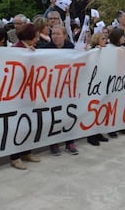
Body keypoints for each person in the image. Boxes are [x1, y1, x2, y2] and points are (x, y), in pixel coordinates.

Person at [41, 25, 79, 155]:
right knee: (54, 115)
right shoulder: (45, 48)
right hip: (52, 87)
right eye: (53, 34)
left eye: (58, 34)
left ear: (64, 36)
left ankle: (70, 142)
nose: (55, 37)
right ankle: (54, 143)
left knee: (69, 114)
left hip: (67, 87)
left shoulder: (70, 47)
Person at [9, 23, 41, 170]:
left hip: (30, 93)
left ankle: (26, 152)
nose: (37, 40)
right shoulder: (15, 50)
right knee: (17, 125)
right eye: (35, 37)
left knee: (29, 123)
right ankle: (14, 157)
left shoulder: (32, 50)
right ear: (29, 36)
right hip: (17, 95)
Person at [86, 33, 109, 146]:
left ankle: (98, 132)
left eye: (106, 38)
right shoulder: (93, 50)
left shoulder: (107, 51)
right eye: (103, 39)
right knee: (93, 109)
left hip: (104, 82)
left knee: (101, 109)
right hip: (94, 85)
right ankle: (91, 135)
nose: (105, 40)